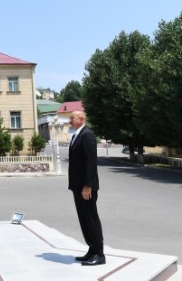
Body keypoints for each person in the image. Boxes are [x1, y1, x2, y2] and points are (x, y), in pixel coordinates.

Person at [68, 110, 106, 266]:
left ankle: (99, 254)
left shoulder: (87, 135)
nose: (70, 120)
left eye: (72, 117)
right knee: (83, 219)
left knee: (90, 218)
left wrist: (88, 185)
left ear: (81, 119)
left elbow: (91, 162)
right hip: (78, 186)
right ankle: (91, 249)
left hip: (86, 187)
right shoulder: (77, 135)